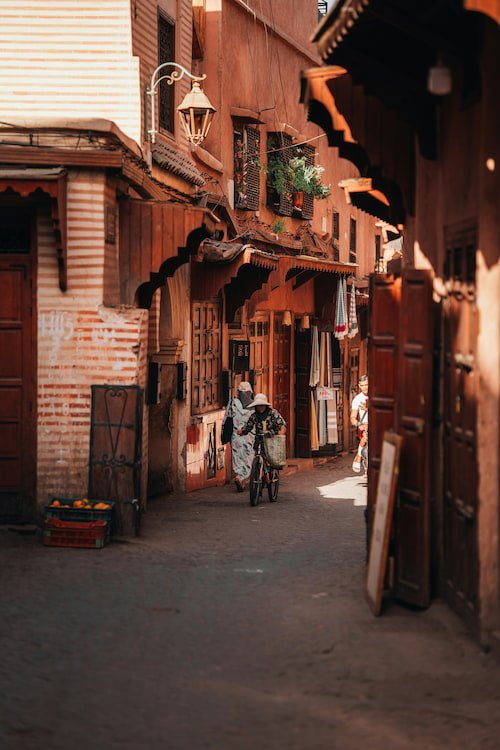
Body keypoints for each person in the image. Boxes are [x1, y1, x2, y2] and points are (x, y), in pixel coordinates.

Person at [222, 381, 255, 492]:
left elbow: (227, 418)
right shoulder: (254, 405)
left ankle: (239, 476)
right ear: (250, 392)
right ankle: (242, 478)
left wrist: (224, 433)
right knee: (248, 457)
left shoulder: (233, 403)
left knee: (237, 457)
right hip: (250, 435)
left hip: (236, 436)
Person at [350, 375, 368, 472]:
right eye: (362, 385)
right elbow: (353, 417)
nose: (365, 387)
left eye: (367, 385)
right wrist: (358, 424)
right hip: (365, 424)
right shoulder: (357, 399)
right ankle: (359, 456)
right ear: (359, 386)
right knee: (365, 436)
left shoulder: (376, 396)